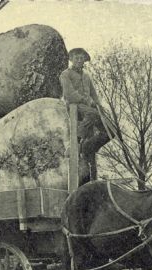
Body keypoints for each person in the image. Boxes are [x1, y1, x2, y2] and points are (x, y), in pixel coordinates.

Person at [59, 48, 111, 180]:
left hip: (89, 109)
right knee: (93, 114)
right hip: (74, 106)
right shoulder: (65, 74)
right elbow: (69, 94)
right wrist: (87, 101)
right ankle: (75, 143)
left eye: (81, 58)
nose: (79, 60)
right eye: (76, 58)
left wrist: (99, 106)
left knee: (110, 128)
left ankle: (88, 147)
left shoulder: (87, 76)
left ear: (84, 61)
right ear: (71, 59)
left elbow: (94, 94)